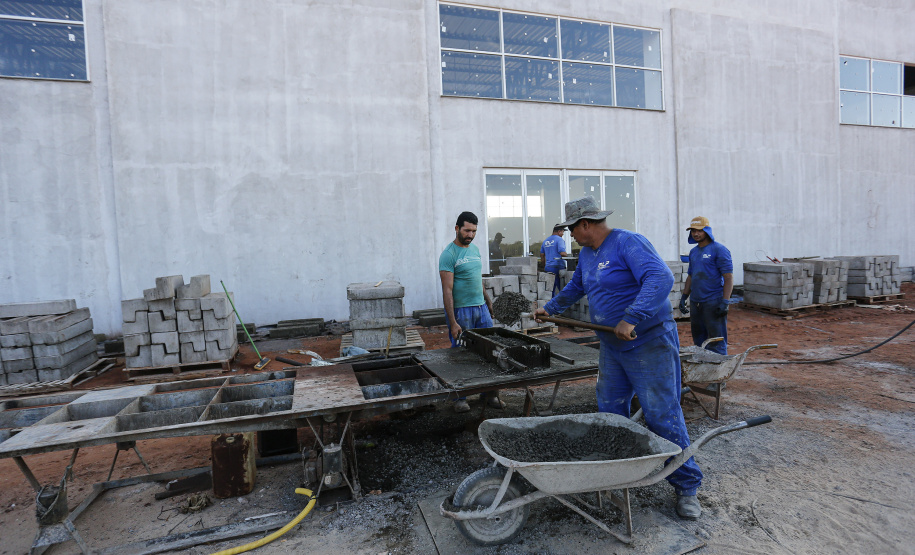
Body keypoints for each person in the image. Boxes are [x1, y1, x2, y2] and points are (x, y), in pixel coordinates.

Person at [533, 196, 703, 520]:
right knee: (610, 409)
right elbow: (576, 288)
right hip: (612, 346)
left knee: (660, 414)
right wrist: (550, 309)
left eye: (572, 229)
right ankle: (624, 468)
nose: (570, 235)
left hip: (647, 342)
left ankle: (687, 485)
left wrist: (632, 316)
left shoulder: (628, 242)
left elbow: (661, 279)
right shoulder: (586, 254)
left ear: (585, 224)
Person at [439, 211, 504, 413]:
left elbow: (477, 280)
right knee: (461, 353)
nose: (470, 235)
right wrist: (453, 322)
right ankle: (460, 397)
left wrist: (488, 301)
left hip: (481, 309)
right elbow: (447, 290)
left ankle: (490, 394)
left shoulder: (475, 250)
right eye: (467, 230)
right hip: (462, 311)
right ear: (457, 228)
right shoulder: (448, 255)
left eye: (474, 231)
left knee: (489, 350)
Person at [678, 217, 733, 356]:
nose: (696, 234)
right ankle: (704, 368)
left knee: (716, 339)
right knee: (699, 339)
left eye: (699, 231)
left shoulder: (719, 250)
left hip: (713, 301)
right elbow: (691, 276)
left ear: (707, 231)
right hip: (696, 302)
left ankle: (719, 370)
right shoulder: (693, 252)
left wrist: (725, 302)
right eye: (693, 231)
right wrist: (684, 297)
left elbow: (728, 277)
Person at [539, 225, 568, 297]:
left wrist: (544, 266)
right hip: (558, 267)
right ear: (559, 231)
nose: (563, 234)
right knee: (563, 289)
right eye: (563, 232)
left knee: (551, 289)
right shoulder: (559, 239)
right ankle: (563, 307)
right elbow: (562, 253)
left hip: (548, 267)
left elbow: (542, 255)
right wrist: (571, 256)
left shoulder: (545, 241)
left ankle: (551, 306)